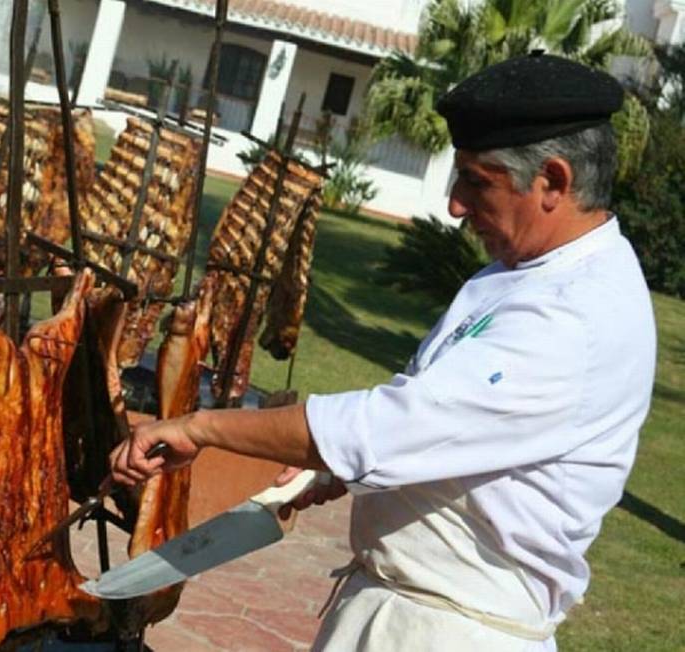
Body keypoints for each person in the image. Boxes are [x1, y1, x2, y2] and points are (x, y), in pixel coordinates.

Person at [108, 52, 657, 651]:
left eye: (477, 180)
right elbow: (447, 428)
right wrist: (338, 470)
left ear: (553, 181)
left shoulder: (574, 316)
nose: (454, 204)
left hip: (449, 632)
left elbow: (387, 428)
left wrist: (202, 426)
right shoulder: (526, 274)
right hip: (409, 613)